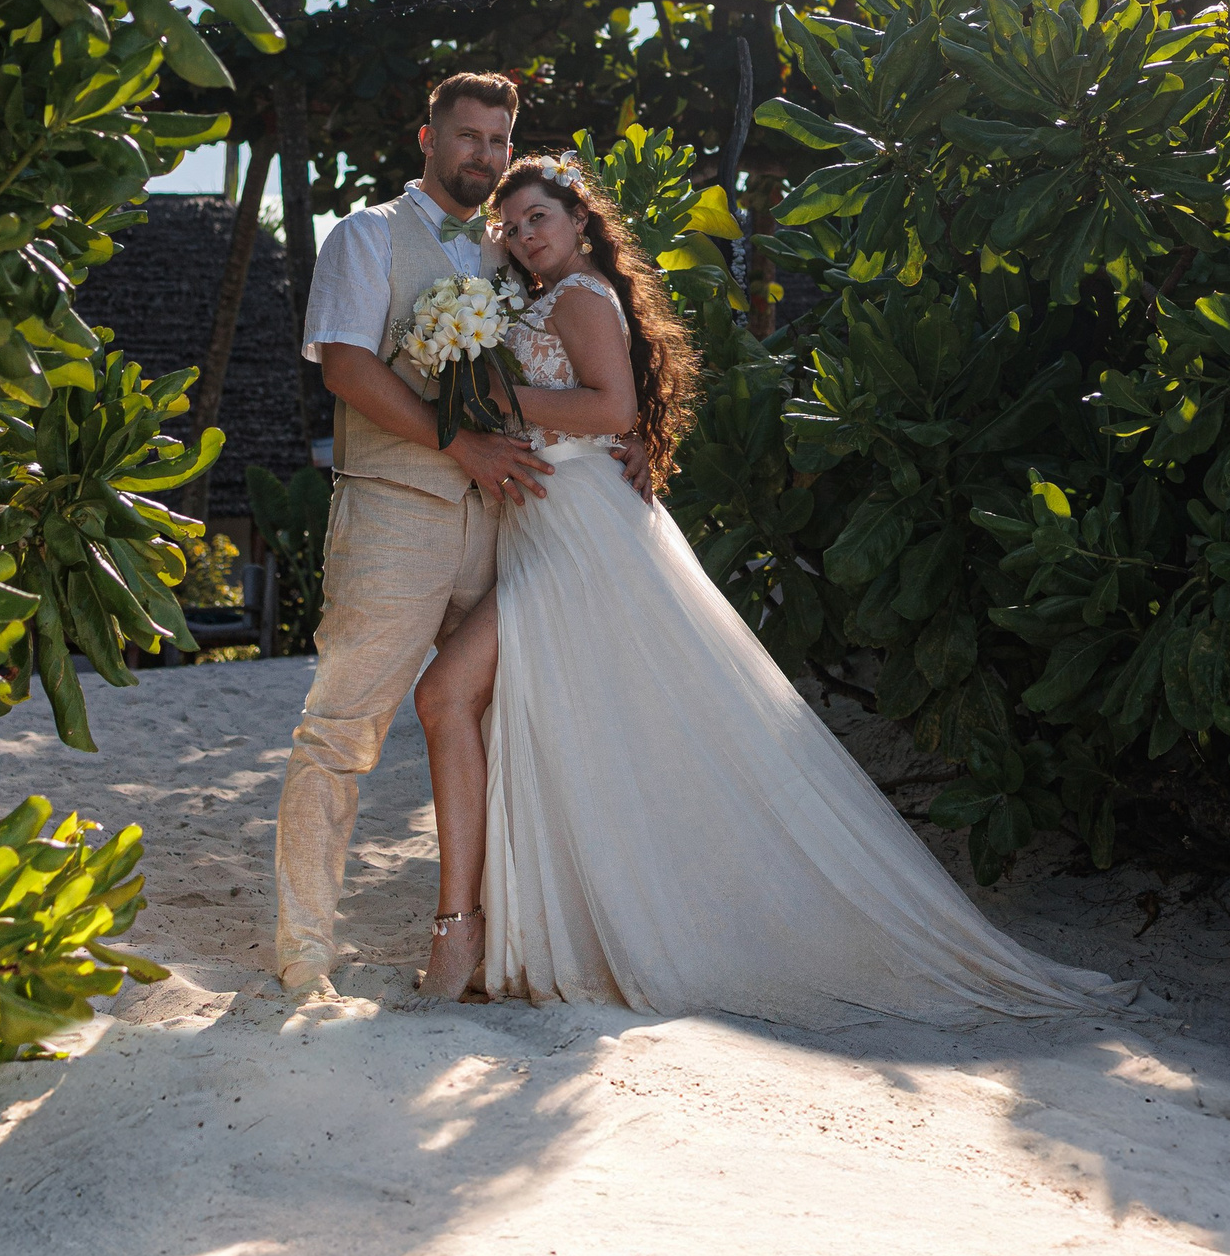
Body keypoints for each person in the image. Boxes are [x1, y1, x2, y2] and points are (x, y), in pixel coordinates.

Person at [412, 153, 1131, 1025]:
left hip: (581, 535)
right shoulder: (547, 293)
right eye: (514, 223)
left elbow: (613, 411)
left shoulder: (580, 295)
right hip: (555, 523)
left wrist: (500, 396)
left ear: (580, 218)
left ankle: (471, 931)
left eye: (541, 217)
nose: (527, 235)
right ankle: (533, 924)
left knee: (450, 694)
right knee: (582, 725)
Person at [275, 71, 648, 995]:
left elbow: (587, 350)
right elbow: (347, 369)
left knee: (505, 722)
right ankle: (304, 954)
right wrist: (460, 443)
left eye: (498, 139)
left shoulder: (511, 252)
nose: (483, 154)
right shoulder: (366, 235)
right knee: (341, 729)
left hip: (511, 527)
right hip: (394, 516)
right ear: (428, 138)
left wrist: (630, 437)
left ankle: (493, 943)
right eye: (467, 136)